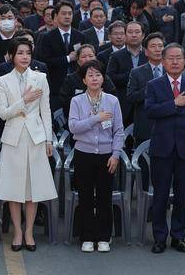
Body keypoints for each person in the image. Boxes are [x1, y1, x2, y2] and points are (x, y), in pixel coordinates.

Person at [0, 38, 56, 251]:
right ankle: (17, 232)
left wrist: (49, 139)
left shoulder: (41, 78)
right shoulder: (3, 80)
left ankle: (29, 231)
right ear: (12, 56)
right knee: (14, 188)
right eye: (20, 53)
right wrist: (25, 100)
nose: (25, 57)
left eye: (28, 53)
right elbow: (3, 114)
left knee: (33, 188)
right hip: (13, 139)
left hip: (36, 137)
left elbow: (46, 110)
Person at [145, 43, 185, 254]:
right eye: (170, 58)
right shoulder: (154, 85)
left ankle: (178, 236)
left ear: (184, 61)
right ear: (163, 62)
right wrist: (174, 103)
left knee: (181, 195)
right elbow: (150, 111)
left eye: (178, 58)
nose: (175, 61)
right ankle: (159, 237)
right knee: (160, 195)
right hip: (161, 149)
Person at [68, 60, 124, 252]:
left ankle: (103, 237)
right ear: (84, 80)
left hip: (107, 155)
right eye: (90, 75)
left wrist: (116, 155)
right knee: (85, 196)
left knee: (103, 197)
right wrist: (96, 118)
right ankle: (86, 237)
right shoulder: (76, 101)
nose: (94, 78)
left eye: (98, 75)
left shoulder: (112, 100)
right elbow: (74, 127)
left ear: (103, 78)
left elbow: (119, 131)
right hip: (84, 153)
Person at [126, 33, 166, 146]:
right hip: (145, 125)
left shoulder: (174, 71)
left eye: (160, 46)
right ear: (146, 52)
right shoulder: (136, 72)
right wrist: (151, 87)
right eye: (153, 46)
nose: (157, 49)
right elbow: (130, 97)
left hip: (169, 125)